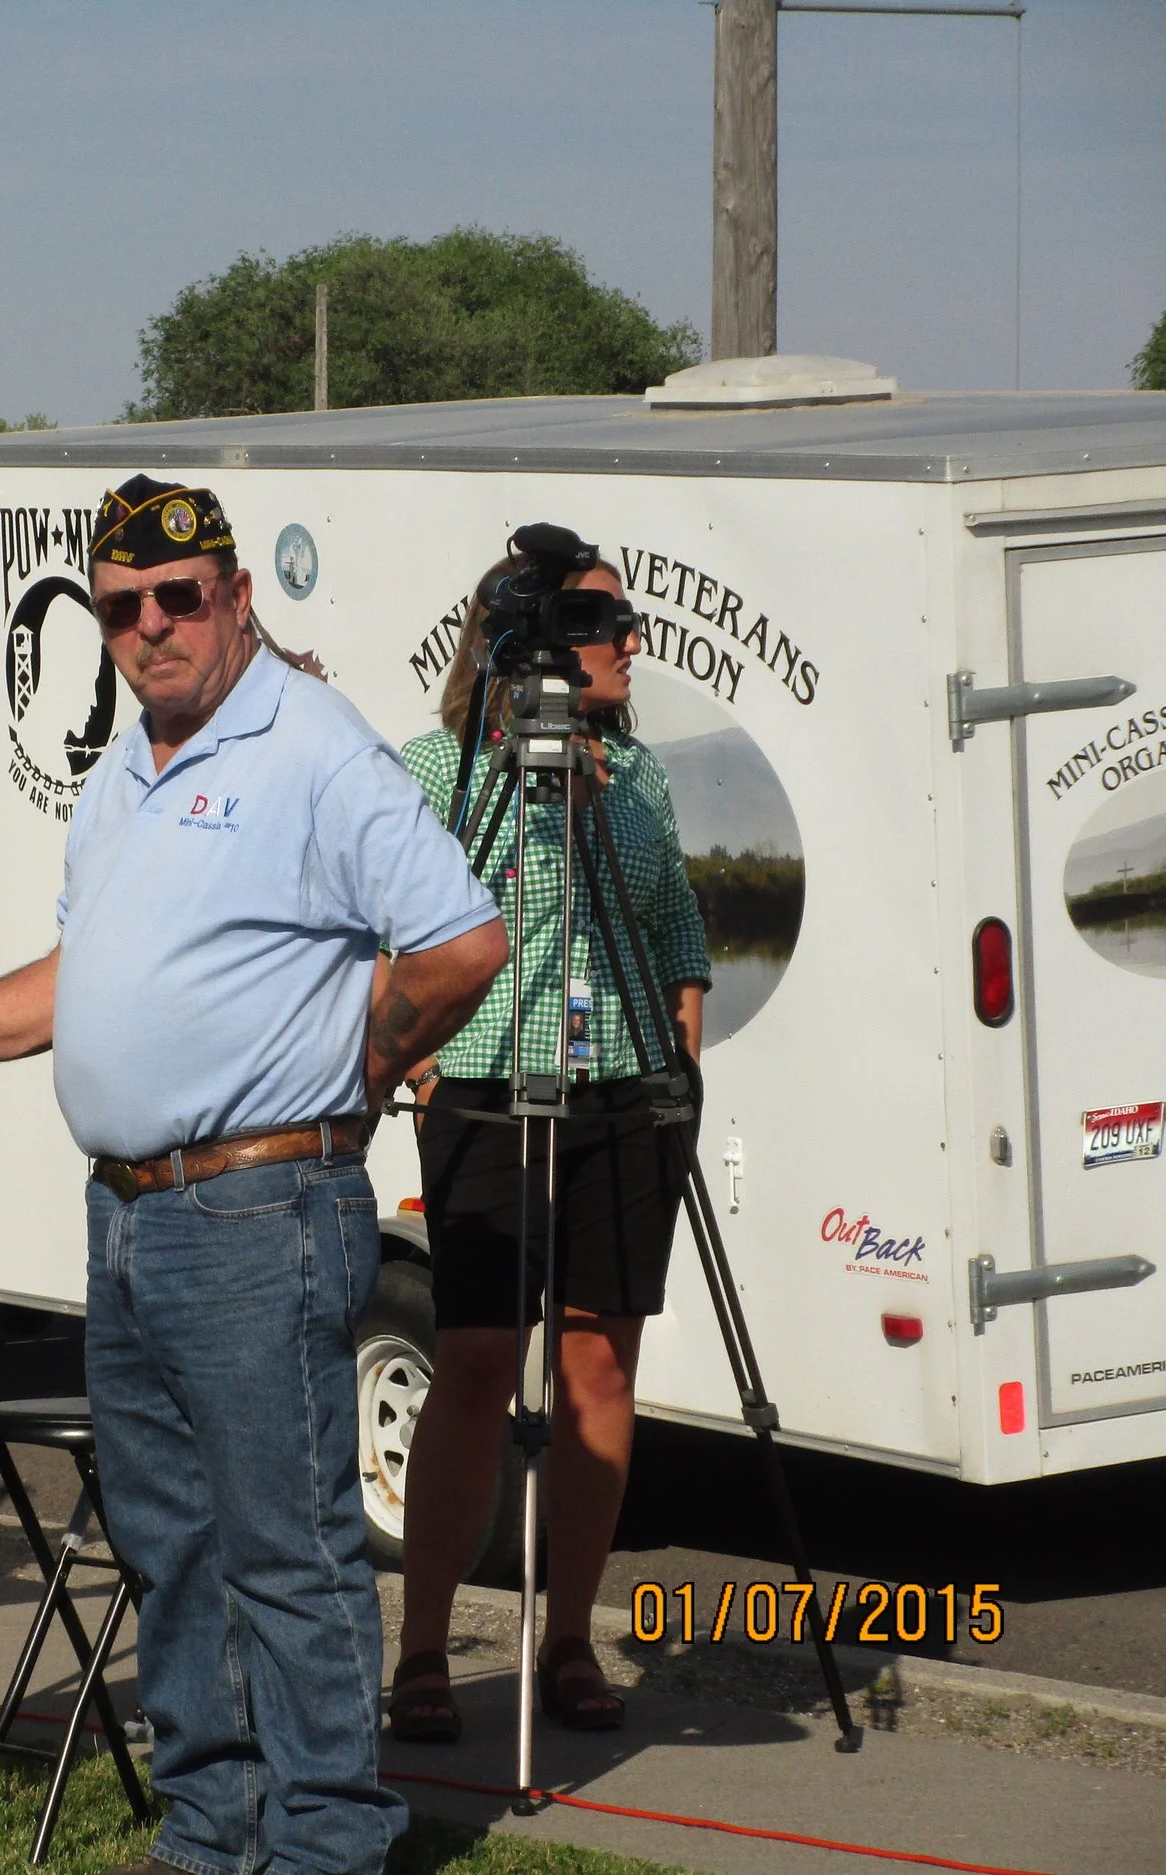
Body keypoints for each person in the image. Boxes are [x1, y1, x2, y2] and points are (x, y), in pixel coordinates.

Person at [0, 477, 506, 1875]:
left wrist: (360, 1071)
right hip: (129, 1212)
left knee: (287, 1551)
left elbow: (462, 942)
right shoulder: (127, 767)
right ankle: (210, 1830)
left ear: (236, 597)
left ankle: (325, 1841)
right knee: (170, 1544)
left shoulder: (313, 745)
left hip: (259, 1211)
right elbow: (83, 976)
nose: (151, 626)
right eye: (122, 607)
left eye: (179, 597)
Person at [386, 535, 711, 1741]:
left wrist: (683, 1047)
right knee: (477, 1358)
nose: (630, 642)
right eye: (603, 623)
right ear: (526, 642)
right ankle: (423, 1648)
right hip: (483, 1084)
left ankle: (568, 1638)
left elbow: (674, 921)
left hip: (622, 1086)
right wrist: (420, 1063)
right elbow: (389, 924)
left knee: (599, 1365)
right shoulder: (437, 767)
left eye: (625, 622)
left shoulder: (637, 773)